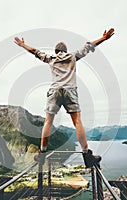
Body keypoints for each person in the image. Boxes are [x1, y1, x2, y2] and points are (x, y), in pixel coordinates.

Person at [14, 28, 114, 167]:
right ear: (65, 50)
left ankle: (42, 154)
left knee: (48, 122)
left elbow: (35, 52)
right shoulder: (73, 56)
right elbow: (89, 45)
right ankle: (87, 155)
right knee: (77, 122)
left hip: (54, 91)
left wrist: (23, 45)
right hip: (70, 91)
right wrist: (103, 38)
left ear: (56, 51)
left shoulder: (51, 58)